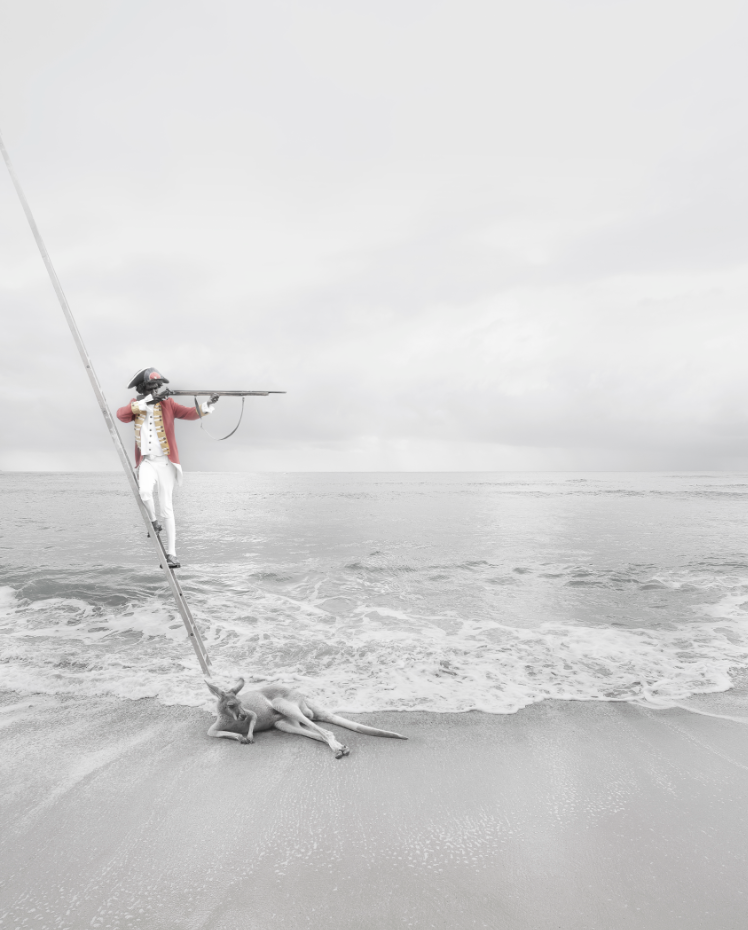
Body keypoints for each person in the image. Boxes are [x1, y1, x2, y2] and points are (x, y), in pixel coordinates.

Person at [116, 367, 216, 569]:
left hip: (166, 463)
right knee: (144, 493)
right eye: (152, 387)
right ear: (144, 388)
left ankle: (172, 554)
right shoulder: (137, 404)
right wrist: (145, 403)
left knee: (167, 508)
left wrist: (207, 405)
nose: (155, 390)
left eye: (157, 387)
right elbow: (121, 415)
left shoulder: (168, 404)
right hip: (147, 462)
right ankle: (153, 522)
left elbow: (190, 414)